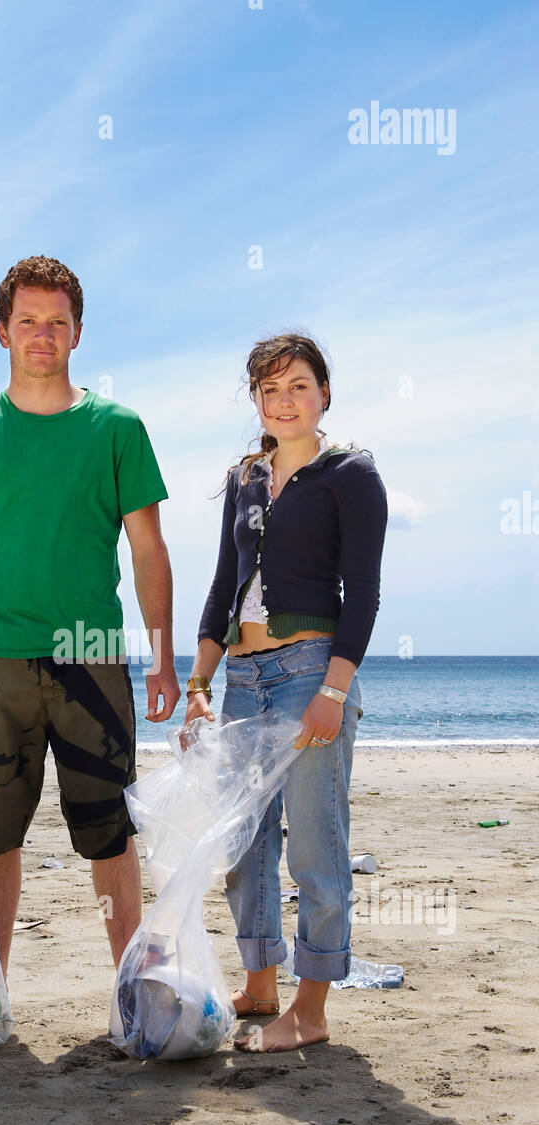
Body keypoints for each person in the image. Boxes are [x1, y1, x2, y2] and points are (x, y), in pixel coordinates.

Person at [0, 255, 180, 981]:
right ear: (2, 332)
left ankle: (132, 988)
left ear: (78, 333)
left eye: (56, 323)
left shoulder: (117, 428)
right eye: (27, 321)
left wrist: (161, 657)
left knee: (108, 832)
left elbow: (148, 549)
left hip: (92, 653)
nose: (42, 335)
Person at [185, 333, 387, 1053]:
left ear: (323, 393)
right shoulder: (244, 478)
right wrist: (198, 684)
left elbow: (363, 592)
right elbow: (220, 586)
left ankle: (310, 1009)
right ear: (256, 401)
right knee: (244, 840)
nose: (285, 401)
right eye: (270, 390)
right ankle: (262, 979)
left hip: (310, 671)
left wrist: (335, 690)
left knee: (316, 846)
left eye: (298, 386)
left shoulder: (350, 473)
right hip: (242, 676)